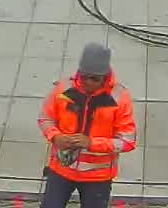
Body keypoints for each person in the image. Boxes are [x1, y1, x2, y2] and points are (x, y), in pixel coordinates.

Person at [37, 43, 136, 208]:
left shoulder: (119, 98)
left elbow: (127, 141)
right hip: (61, 169)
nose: (88, 82)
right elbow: (45, 118)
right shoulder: (63, 89)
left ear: (105, 77)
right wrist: (56, 136)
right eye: (84, 77)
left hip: (97, 177)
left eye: (94, 79)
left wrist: (91, 143)